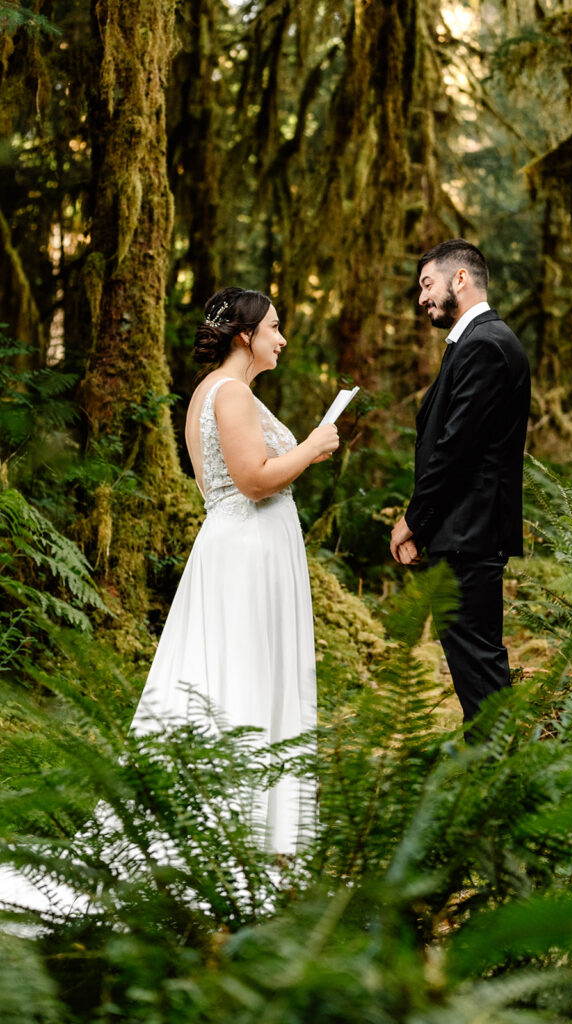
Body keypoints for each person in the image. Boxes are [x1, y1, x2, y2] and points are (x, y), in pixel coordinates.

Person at [129, 286, 339, 852]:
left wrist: (302, 455)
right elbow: (252, 480)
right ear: (246, 335)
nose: (282, 338)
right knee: (245, 674)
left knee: (221, 673)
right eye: (274, 327)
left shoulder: (213, 391)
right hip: (248, 548)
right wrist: (313, 444)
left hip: (234, 543)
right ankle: (244, 840)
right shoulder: (232, 394)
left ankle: (243, 834)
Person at [390, 240, 530, 724]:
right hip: (462, 534)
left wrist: (412, 520)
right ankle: (494, 778)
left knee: (480, 670)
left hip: (470, 536)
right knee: (475, 668)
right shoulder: (474, 343)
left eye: (428, 284)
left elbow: (456, 449)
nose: (422, 298)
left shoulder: (487, 345)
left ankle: (498, 783)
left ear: (462, 280)